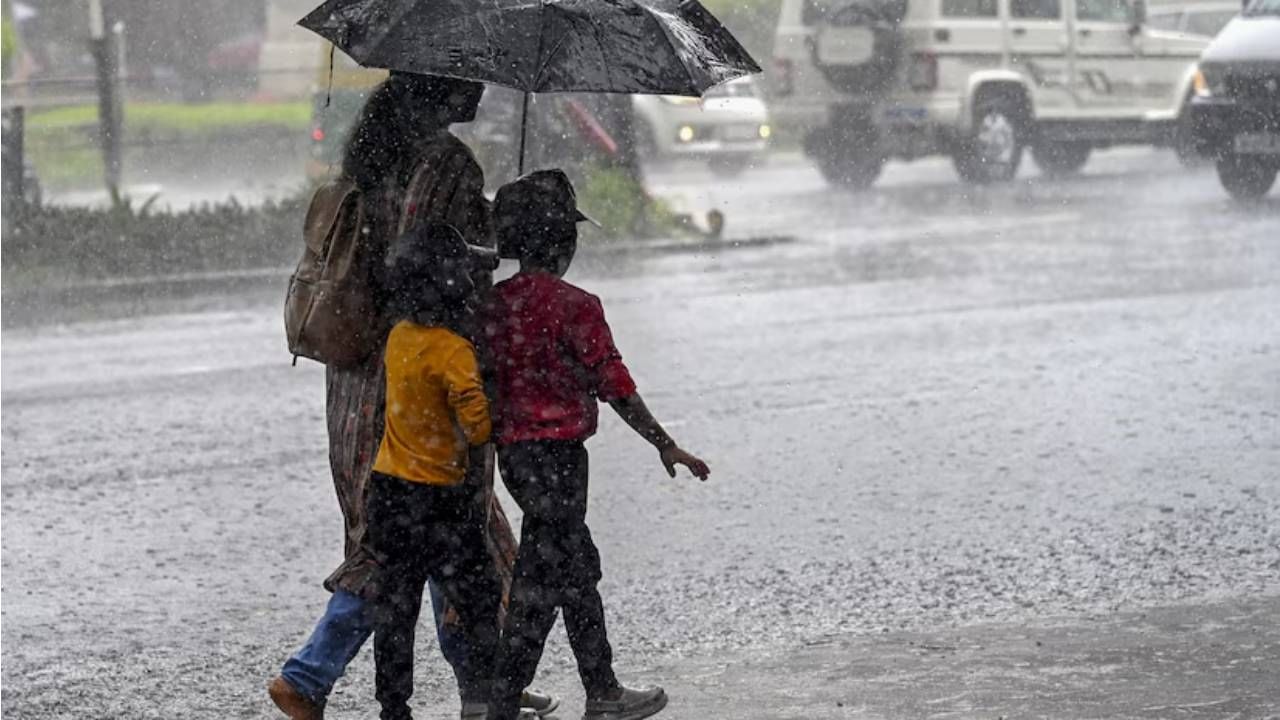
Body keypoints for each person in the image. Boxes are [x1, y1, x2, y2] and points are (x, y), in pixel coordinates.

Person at [269, 73, 557, 720]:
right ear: (440, 87)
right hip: (425, 379)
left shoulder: (369, 158)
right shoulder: (446, 164)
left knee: (438, 533)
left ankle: (483, 681)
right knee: (432, 539)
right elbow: (438, 270)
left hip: (360, 377)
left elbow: (393, 260)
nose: (482, 87)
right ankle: (307, 677)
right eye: (468, 77)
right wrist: (498, 239)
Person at [482, 170, 712, 720]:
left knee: (566, 568)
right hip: (561, 460)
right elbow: (614, 384)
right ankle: (523, 698)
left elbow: (484, 383)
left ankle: (576, 690)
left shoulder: (489, 306)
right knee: (552, 573)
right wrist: (664, 443)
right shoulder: (576, 306)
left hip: (513, 459)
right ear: (565, 241)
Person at [365, 223, 502, 720]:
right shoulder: (454, 352)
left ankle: (394, 706)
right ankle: (485, 695)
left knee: (397, 610)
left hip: (388, 494)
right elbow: (478, 427)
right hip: (440, 500)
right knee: (478, 598)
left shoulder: (399, 339)